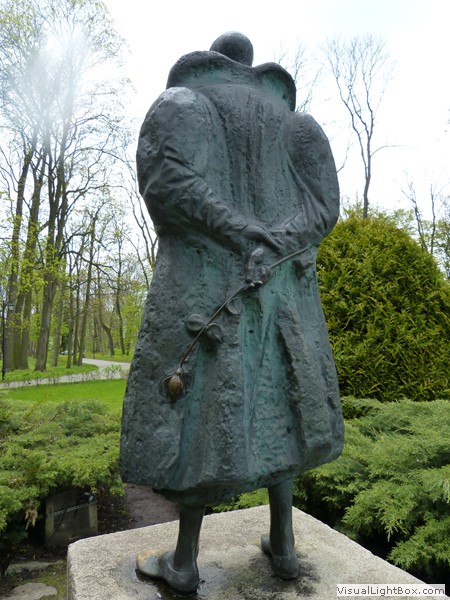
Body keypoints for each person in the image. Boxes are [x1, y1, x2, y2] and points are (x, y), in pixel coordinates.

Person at [120, 31, 344, 594]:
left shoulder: (182, 104)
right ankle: (284, 545)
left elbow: (167, 183)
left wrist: (240, 232)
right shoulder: (298, 125)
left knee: (198, 416)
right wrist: (271, 239)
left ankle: (185, 562)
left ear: (212, 61)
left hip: (207, 291)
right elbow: (323, 209)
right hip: (284, 293)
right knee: (283, 408)